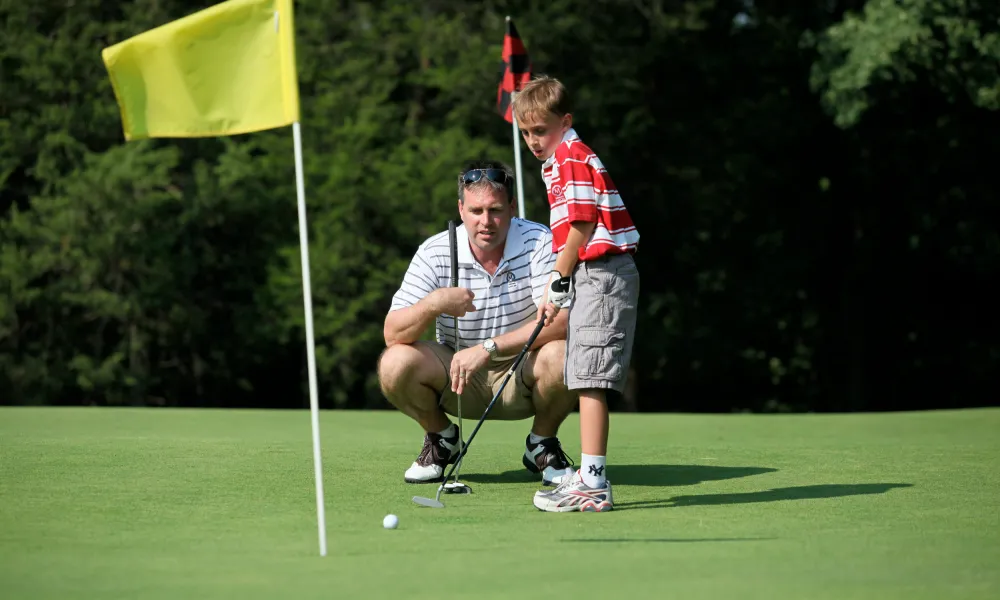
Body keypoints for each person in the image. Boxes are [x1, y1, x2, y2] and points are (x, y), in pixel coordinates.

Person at [378, 159, 577, 488]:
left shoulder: (539, 241)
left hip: (523, 370)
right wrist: (435, 303)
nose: (486, 222)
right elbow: (392, 332)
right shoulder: (435, 250)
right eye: (476, 211)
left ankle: (541, 444)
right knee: (393, 364)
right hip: (457, 376)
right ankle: (442, 438)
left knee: (566, 353)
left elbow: (562, 322)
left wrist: (488, 348)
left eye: (496, 210)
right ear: (461, 208)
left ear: (512, 207)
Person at [512, 75, 641, 512]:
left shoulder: (571, 154)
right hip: (591, 272)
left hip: (602, 272)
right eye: (525, 132)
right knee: (585, 373)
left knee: (590, 377)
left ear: (564, 121)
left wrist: (559, 277)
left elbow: (584, 225)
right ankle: (590, 477)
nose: (532, 140)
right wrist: (563, 281)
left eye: (539, 130)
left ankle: (593, 483)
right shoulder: (560, 158)